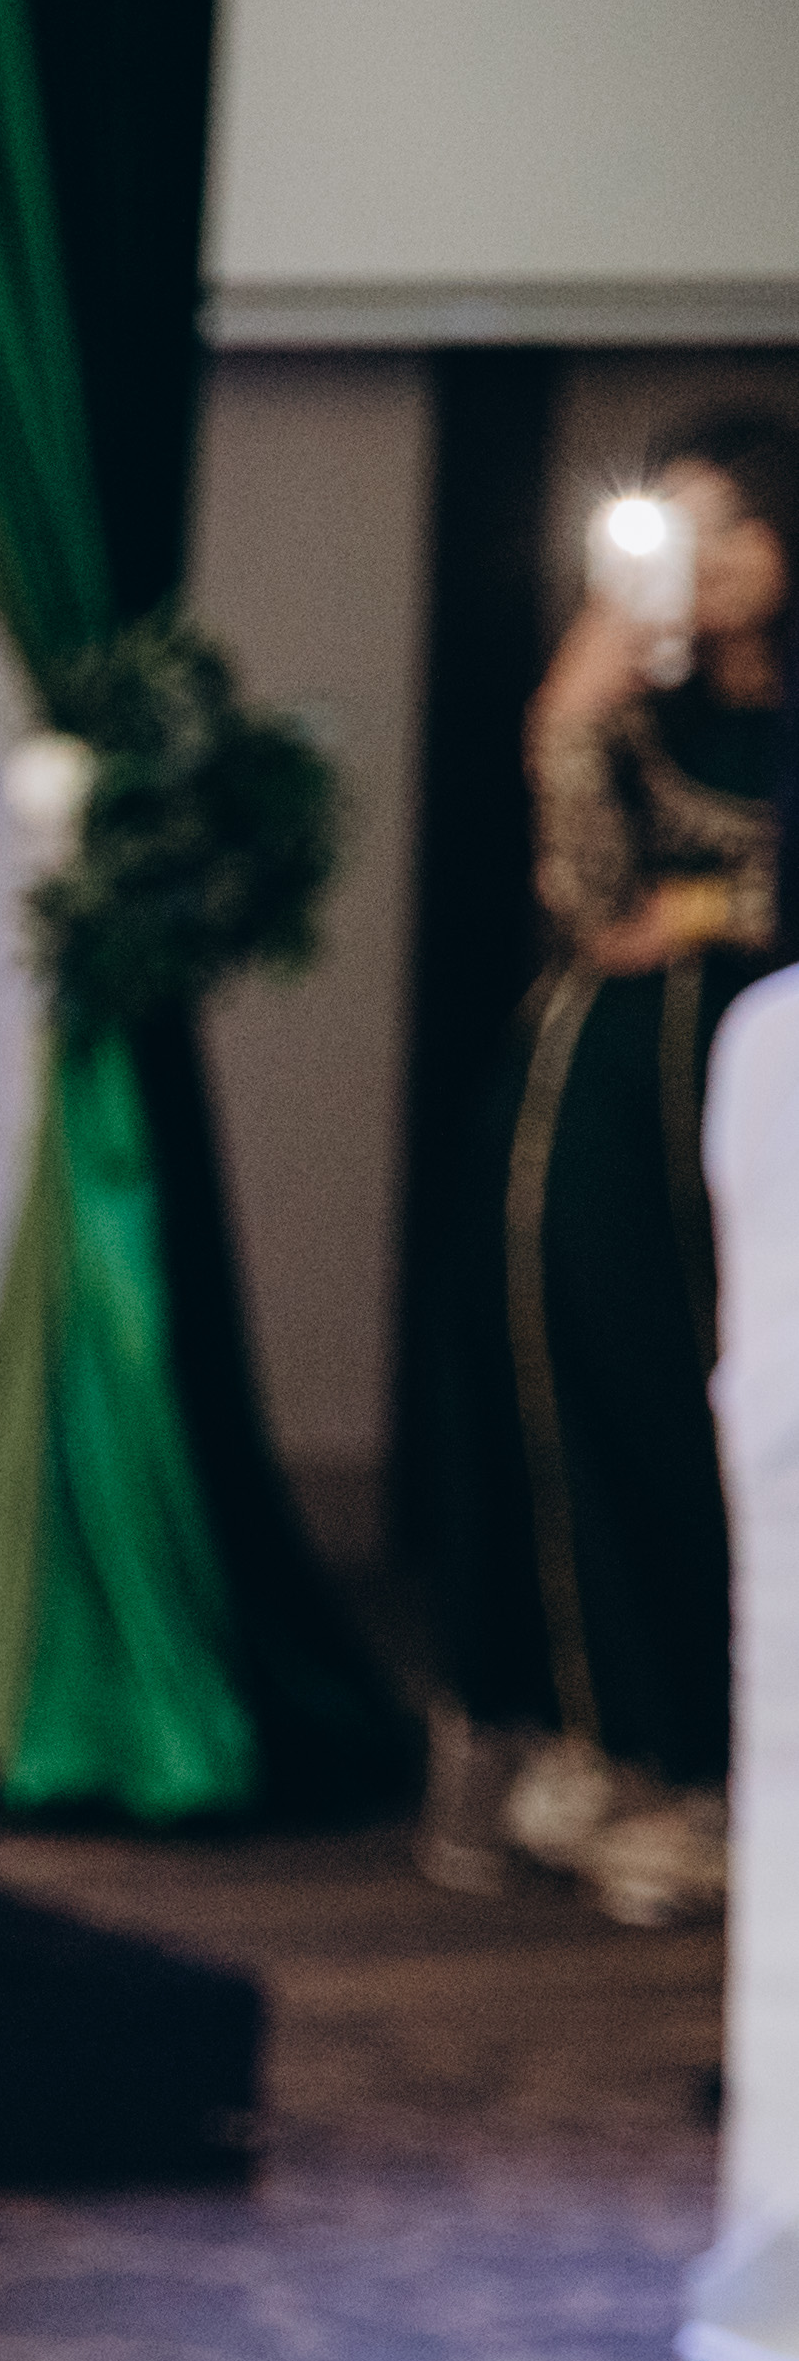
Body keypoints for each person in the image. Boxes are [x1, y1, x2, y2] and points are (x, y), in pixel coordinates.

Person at [419, 406, 788, 1926]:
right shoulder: (632, 708)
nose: (707, 557)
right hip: (601, 1103)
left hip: (755, 1094)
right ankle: (609, 1748)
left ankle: (727, 1757)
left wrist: (700, 911)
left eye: (734, 524)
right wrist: (566, 718)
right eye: (679, 525)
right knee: (589, 1392)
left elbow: (712, 907)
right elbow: (591, 906)